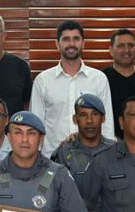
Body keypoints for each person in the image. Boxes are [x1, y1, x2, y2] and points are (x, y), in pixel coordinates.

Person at [30, 20, 115, 157]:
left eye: (76, 39)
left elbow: (107, 124)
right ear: (57, 44)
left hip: (93, 159)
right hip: (51, 159)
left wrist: (108, 155)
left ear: (83, 43)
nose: (71, 44)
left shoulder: (99, 79)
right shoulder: (43, 80)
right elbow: (35, 125)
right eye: (66, 39)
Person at [102, 29, 135, 138]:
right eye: (121, 46)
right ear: (111, 50)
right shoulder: (101, 78)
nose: (126, 50)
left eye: (131, 45)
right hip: (109, 143)